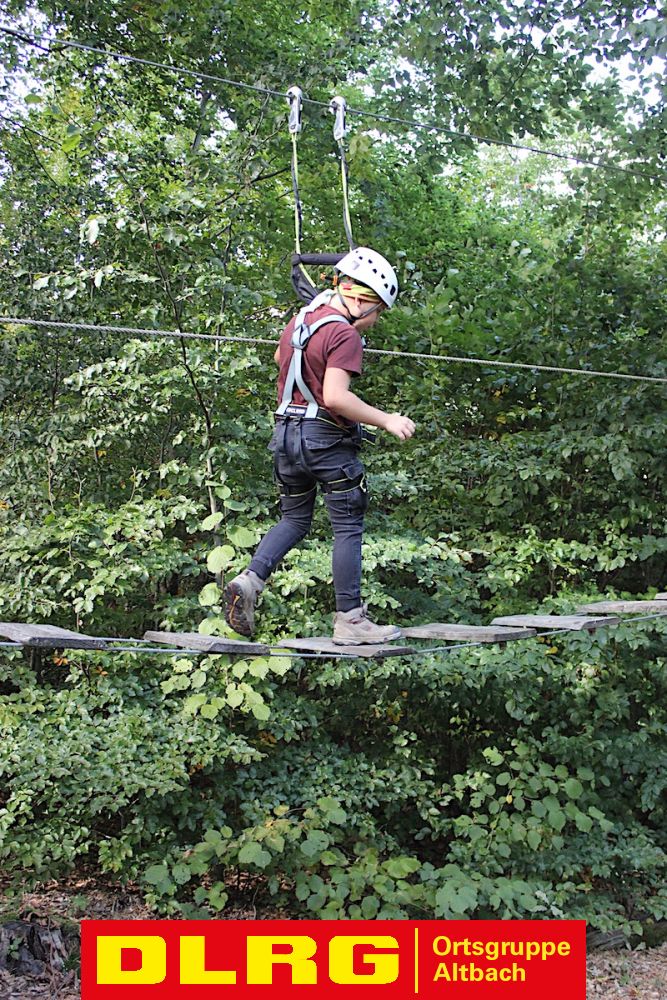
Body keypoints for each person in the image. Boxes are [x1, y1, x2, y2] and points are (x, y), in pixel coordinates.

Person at [224, 247, 415, 644]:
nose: (375, 321)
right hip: (325, 441)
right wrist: (386, 419)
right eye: (378, 311)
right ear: (359, 300)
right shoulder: (344, 333)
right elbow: (336, 397)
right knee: (347, 525)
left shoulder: (301, 321)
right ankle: (350, 621)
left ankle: (251, 580)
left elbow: (279, 357)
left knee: (294, 519)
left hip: (285, 437)